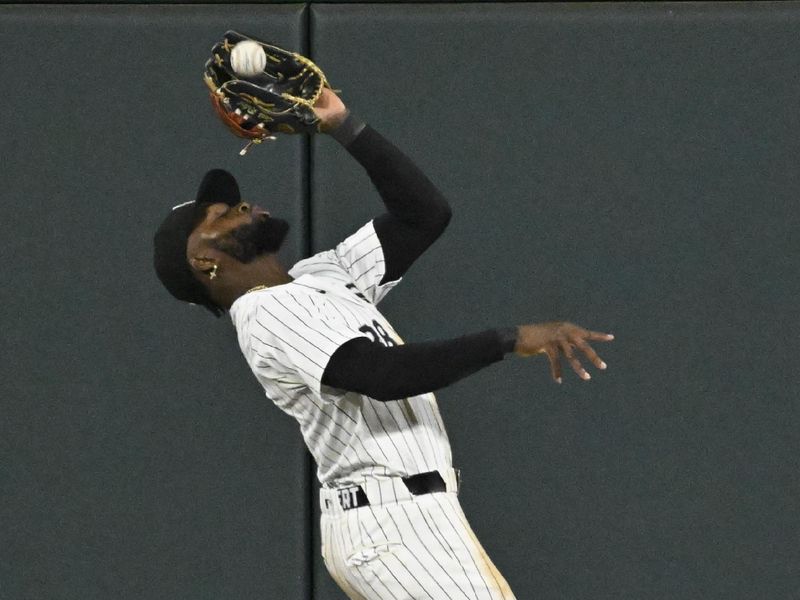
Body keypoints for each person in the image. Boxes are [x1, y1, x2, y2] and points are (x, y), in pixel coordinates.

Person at [153, 88, 613, 600]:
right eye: (218, 216)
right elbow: (379, 375)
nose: (239, 205)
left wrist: (344, 125)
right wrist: (508, 339)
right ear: (204, 263)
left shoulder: (320, 276)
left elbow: (423, 215)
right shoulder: (263, 313)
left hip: (406, 518)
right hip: (390, 524)